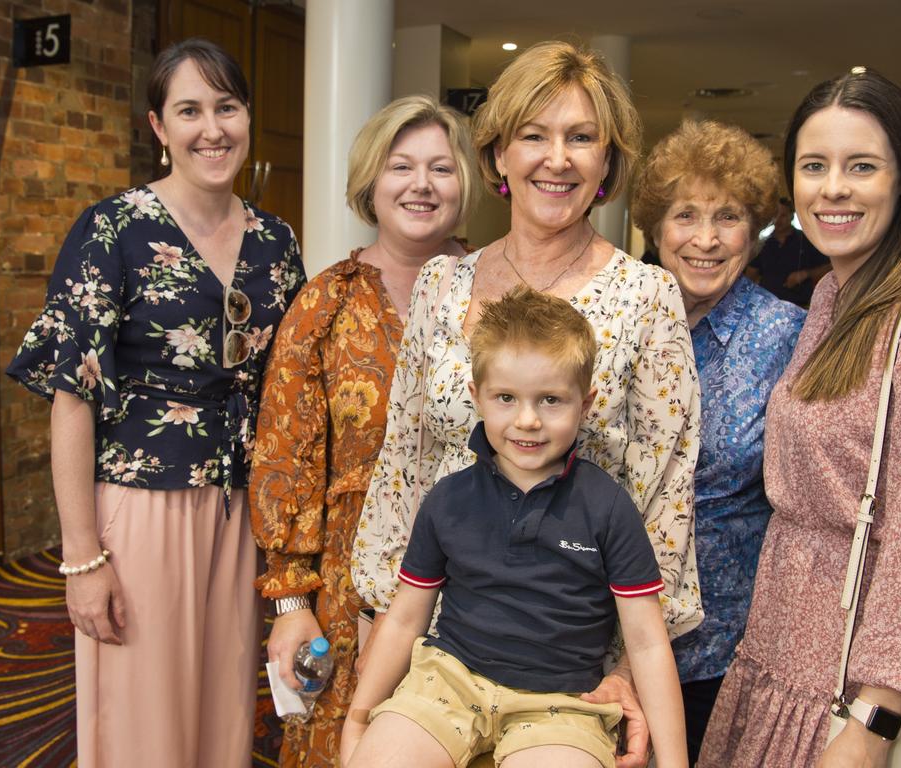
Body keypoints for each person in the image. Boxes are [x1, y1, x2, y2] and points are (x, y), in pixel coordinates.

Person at [352, 40, 703, 768]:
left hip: (566, 659)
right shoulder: (441, 286)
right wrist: (380, 625)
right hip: (437, 650)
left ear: (608, 163)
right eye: (534, 136)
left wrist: (623, 674)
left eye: (582, 138)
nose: (558, 158)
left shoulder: (646, 297)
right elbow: (404, 464)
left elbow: (662, 500)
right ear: (499, 155)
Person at [5, 39, 305, 768]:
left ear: (247, 116)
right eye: (190, 110)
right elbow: (71, 398)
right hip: (141, 504)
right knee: (143, 715)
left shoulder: (276, 240)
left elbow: (288, 389)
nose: (213, 129)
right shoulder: (112, 229)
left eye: (227, 107)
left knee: (224, 711)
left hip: (238, 509)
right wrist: (82, 558)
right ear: (157, 127)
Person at [341, 288, 688, 768]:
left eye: (551, 400)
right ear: (477, 397)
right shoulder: (448, 499)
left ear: (584, 404)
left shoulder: (608, 506)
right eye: (506, 398)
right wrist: (358, 717)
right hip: (447, 681)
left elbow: (648, 644)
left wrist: (674, 764)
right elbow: (404, 618)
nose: (527, 420)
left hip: (562, 705)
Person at [249, 95, 475, 767]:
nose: (422, 184)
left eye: (441, 167)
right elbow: (284, 459)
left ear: (464, 184)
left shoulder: (498, 290)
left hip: (482, 577)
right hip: (354, 591)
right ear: (370, 183)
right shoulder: (326, 302)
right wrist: (291, 601)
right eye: (401, 165)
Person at [699, 67, 901, 767]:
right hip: (780, 644)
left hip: (850, 675)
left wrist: (877, 718)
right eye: (815, 166)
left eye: (862, 166)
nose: (834, 188)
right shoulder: (828, 300)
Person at [630, 119, 805, 763]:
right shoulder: (617, 319)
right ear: (655, 227)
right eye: (685, 215)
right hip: (599, 636)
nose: (705, 239)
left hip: (729, 647)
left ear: (754, 228)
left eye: (728, 217)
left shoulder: (790, 337)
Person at [746, 196, 831, 307]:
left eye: (783, 215)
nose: (778, 220)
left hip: (801, 307)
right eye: (775, 216)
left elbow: (829, 268)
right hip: (767, 309)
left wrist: (805, 274)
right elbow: (750, 276)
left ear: (792, 215)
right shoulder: (763, 243)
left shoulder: (808, 239)